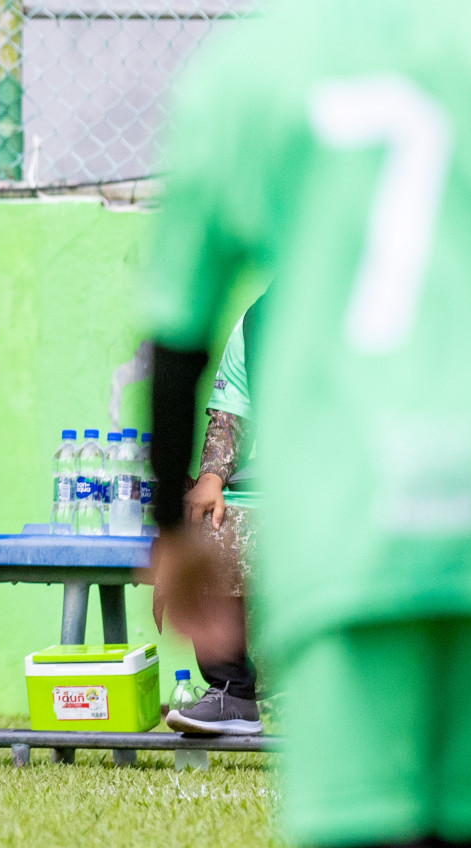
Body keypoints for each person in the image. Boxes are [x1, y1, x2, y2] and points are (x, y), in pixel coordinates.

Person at [147, 0, 471, 845]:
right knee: (462, 823)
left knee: (365, 824)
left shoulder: (254, 55)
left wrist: (174, 527)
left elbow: (179, 326)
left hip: (349, 487)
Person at [158, 297, 264, 735]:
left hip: (355, 482)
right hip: (264, 489)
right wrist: (211, 477)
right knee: (206, 518)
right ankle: (232, 692)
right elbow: (228, 416)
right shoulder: (260, 322)